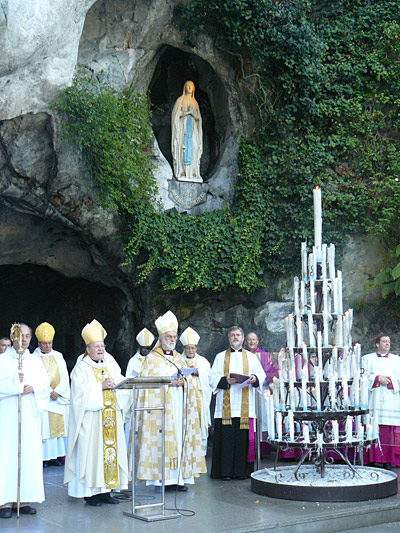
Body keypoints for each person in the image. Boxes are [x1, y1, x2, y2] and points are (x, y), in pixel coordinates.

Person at [136, 311, 205, 491]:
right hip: (161, 411)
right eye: (169, 336)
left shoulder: (178, 357)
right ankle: (162, 480)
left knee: (180, 439)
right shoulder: (151, 359)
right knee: (163, 441)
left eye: (174, 336)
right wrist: (168, 383)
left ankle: (179, 479)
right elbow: (147, 386)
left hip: (179, 407)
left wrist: (184, 382)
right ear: (161, 337)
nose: (172, 339)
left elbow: (189, 379)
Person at [64, 319, 129, 506]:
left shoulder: (110, 363)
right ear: (88, 348)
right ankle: (90, 494)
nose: (101, 349)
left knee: (109, 456)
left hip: (111, 420)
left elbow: (120, 381)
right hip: (91, 421)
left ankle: (106, 492)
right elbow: (78, 393)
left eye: (102, 346)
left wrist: (122, 385)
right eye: (96, 346)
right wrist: (99, 387)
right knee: (92, 456)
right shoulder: (81, 367)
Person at [0, 323, 50, 518]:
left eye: (28, 336)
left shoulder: (35, 361)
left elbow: (45, 383)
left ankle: (25, 499)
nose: (25, 339)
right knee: (7, 453)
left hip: (29, 413)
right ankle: (4, 501)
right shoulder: (2, 360)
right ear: (13, 337)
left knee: (28, 453)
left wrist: (34, 387)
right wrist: (15, 384)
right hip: (7, 415)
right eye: (21, 335)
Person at [209, 326, 265, 480]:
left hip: (244, 405)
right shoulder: (220, 357)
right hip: (225, 406)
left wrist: (254, 378)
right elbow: (212, 378)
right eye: (233, 335)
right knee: (226, 439)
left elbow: (261, 375)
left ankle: (241, 472)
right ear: (229, 338)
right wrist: (225, 380)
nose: (235, 337)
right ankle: (225, 472)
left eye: (238, 335)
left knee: (242, 440)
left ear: (242, 338)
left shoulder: (251, 357)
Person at [33, 322, 70, 468]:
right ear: (39, 343)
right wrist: (48, 392)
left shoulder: (58, 356)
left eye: (49, 343)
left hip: (58, 399)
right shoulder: (33, 358)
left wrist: (58, 392)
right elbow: (35, 378)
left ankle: (58, 457)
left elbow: (64, 375)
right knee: (44, 429)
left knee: (59, 428)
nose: (47, 346)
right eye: (44, 343)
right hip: (44, 399)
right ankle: (45, 458)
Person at [362, 334, 400, 468]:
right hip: (374, 399)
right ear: (377, 344)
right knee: (373, 427)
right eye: (384, 341)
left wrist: (389, 381)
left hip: (391, 399)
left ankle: (388, 461)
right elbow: (363, 376)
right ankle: (372, 459)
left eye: (388, 342)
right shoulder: (366, 359)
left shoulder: (397, 360)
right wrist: (377, 378)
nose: (387, 344)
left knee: (388, 431)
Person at [179, 326, 212, 455]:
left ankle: (200, 452)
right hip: (183, 398)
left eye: (193, 348)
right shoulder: (178, 360)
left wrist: (198, 373)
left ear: (196, 348)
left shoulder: (202, 361)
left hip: (199, 398)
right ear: (184, 348)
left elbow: (208, 377)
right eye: (188, 348)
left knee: (200, 424)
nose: (190, 350)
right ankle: (184, 451)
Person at [124, 328, 155, 449]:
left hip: (152, 400)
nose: (146, 351)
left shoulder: (155, 360)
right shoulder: (133, 361)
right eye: (144, 348)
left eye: (148, 348)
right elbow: (128, 380)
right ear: (139, 347)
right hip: (136, 400)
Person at [171, 80, 203, 182]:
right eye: (187, 85)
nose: (189, 87)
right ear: (184, 87)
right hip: (182, 129)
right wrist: (186, 113)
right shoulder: (180, 100)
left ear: (194, 89)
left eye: (191, 86)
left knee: (194, 148)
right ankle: (182, 171)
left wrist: (193, 115)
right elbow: (175, 115)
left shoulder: (195, 102)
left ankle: (193, 172)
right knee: (182, 149)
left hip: (193, 129)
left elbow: (199, 118)